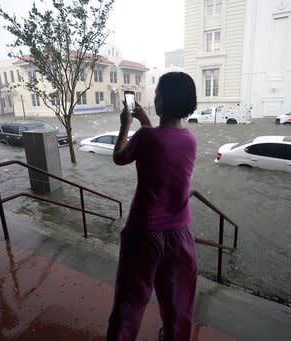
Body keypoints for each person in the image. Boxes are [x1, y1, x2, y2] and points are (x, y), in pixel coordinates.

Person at [107, 72, 198, 341]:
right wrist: (144, 120)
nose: (154, 98)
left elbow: (119, 156)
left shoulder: (146, 138)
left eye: (156, 94)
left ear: (162, 102)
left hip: (144, 234)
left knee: (130, 302)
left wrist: (126, 123)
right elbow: (158, 137)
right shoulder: (190, 141)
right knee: (178, 304)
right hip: (180, 235)